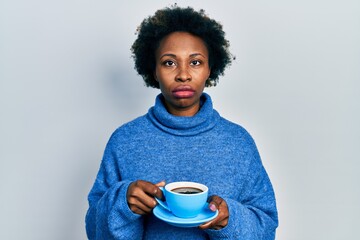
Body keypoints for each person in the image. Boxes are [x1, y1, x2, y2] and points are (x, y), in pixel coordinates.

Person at [85, 5, 278, 240]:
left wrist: (229, 219)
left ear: (210, 69)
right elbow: (94, 231)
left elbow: (267, 228)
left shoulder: (239, 142)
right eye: (169, 63)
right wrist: (122, 204)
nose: (183, 75)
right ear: (154, 70)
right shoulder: (124, 140)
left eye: (195, 62)